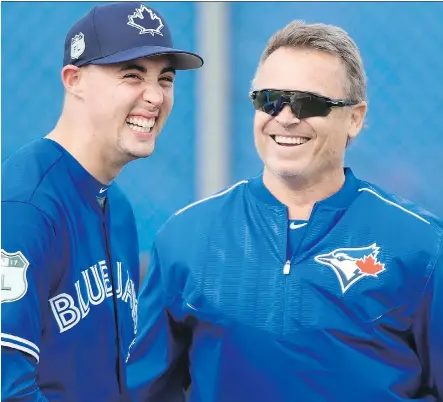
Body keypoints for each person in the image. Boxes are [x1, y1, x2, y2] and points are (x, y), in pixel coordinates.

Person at [126, 20, 443, 402]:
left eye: (310, 102)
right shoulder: (186, 237)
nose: (287, 117)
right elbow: (144, 391)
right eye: (270, 99)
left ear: (355, 118)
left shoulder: (422, 245)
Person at [1, 2, 203, 401]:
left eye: (165, 79)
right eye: (131, 75)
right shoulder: (24, 206)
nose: (155, 96)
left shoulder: (120, 209)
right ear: (74, 79)